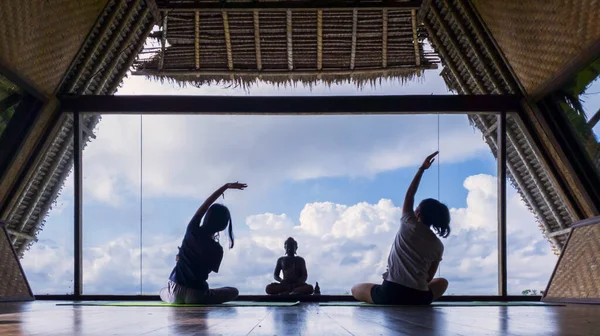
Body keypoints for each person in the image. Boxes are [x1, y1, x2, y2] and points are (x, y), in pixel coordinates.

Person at [351, 151, 450, 305]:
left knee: (356, 289)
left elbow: (409, 195)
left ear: (417, 213)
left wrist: (421, 169)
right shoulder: (438, 245)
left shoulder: (408, 224)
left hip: (390, 293)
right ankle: (414, 299)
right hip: (419, 297)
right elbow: (429, 278)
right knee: (442, 282)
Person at [159, 182, 247, 304]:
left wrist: (225, 186)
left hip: (174, 292)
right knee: (233, 291)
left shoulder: (192, 229)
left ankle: (172, 296)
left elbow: (206, 204)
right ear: (223, 226)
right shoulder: (217, 249)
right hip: (197, 295)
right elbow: (202, 270)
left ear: (207, 217)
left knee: (162, 291)